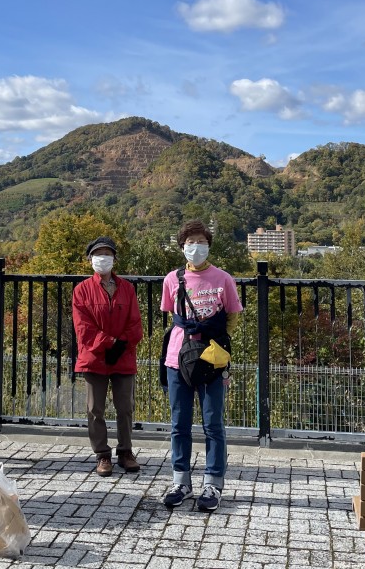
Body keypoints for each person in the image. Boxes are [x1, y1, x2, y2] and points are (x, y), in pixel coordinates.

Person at [160, 219, 242, 512]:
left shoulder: (223, 278)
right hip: (177, 358)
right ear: (182, 247)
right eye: (190, 242)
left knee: (213, 424)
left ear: (209, 245)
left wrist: (218, 343)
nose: (196, 248)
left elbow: (232, 315)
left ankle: (213, 483)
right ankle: (180, 481)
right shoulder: (172, 279)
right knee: (179, 424)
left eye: (201, 242)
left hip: (211, 357)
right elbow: (171, 314)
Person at [72, 236, 143, 476]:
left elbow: (135, 323)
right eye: (98, 253)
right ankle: (102, 454)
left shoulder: (127, 288)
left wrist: (121, 344)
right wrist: (109, 342)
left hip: (123, 356)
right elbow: (83, 328)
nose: (103, 258)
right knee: (95, 409)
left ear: (114, 259)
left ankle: (125, 451)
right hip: (94, 357)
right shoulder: (82, 290)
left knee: (125, 407)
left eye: (108, 253)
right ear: (90, 259)